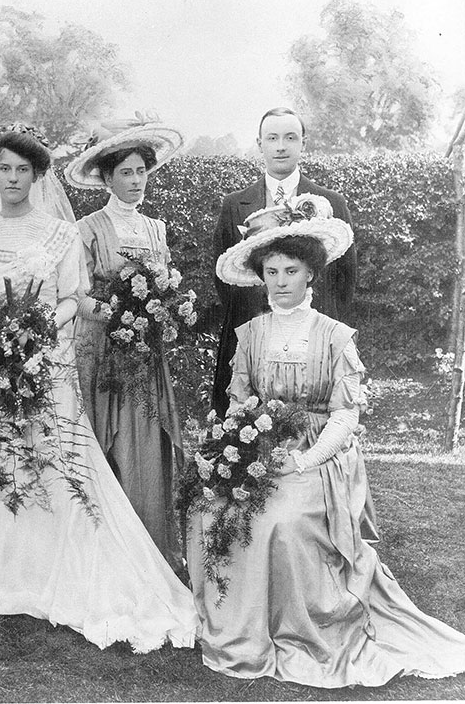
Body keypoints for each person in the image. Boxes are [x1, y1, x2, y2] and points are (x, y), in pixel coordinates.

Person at [0, 124, 200, 653]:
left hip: (48, 364)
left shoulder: (59, 233)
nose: (13, 178)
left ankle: (53, 568)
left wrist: (43, 328)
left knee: (52, 465)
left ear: (37, 176)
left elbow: (74, 295)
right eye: (4, 169)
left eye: (22, 170)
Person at [187, 197, 465, 686]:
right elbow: (238, 401)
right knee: (211, 507)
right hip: (258, 447)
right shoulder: (249, 333)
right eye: (271, 271)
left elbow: (346, 415)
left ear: (310, 274)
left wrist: (305, 458)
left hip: (320, 455)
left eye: (290, 270)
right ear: (260, 276)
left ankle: (303, 625)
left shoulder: (335, 336)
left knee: (284, 521)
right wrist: (236, 445)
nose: (280, 281)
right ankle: (239, 626)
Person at [65, 116, 186, 568]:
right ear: (107, 177)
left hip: (146, 360)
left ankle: (154, 549)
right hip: (102, 357)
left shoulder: (156, 229)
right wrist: (119, 316)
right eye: (126, 173)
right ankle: (109, 555)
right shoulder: (88, 229)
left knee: (149, 445)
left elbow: (165, 289)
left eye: (142, 171)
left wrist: (163, 315)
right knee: (107, 445)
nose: (136, 181)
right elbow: (75, 296)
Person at [211, 107, 356, 417]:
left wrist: (321, 331)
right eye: (272, 138)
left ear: (303, 143)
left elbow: (344, 278)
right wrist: (254, 317)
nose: (280, 146)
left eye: (290, 138)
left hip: (311, 341)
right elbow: (223, 278)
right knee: (247, 432)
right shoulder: (235, 205)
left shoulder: (330, 203)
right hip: (252, 335)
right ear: (259, 143)